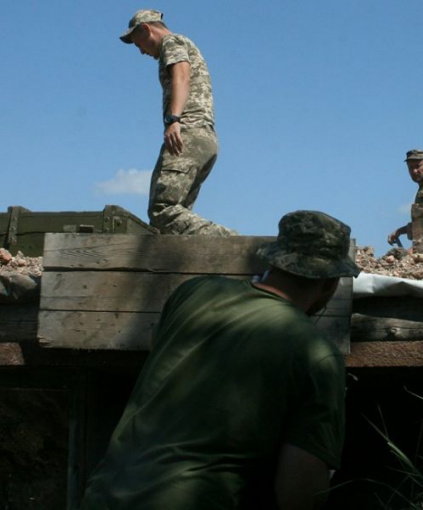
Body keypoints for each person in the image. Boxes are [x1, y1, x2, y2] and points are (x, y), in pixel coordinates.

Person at [80, 210, 361, 509]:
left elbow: (158, 348)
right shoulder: (316, 353)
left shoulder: (193, 292)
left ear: (272, 260)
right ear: (331, 284)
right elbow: (300, 489)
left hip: (104, 496)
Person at [120, 9, 236, 236]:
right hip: (205, 137)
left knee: (163, 210)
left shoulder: (170, 42)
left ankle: (234, 244)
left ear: (146, 29)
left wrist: (174, 120)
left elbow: (181, 75)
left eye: (138, 45)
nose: (141, 52)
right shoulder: (185, 43)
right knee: (178, 219)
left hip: (187, 133)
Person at [387, 149, 423, 246]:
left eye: (418, 166)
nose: (414, 171)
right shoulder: (422, 189)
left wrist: (414, 250)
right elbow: (421, 223)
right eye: (411, 167)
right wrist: (399, 231)